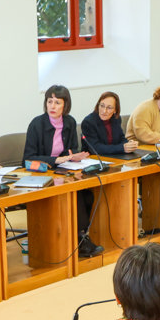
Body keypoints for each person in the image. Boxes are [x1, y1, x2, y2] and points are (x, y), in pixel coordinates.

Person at [23, 85, 103, 258]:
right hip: (41, 175)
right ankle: (80, 239)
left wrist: (74, 156)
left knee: (86, 192)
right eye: (49, 101)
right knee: (77, 195)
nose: (52, 106)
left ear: (65, 106)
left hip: (63, 172)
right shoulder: (37, 124)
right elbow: (27, 159)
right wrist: (56, 160)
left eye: (57, 102)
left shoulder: (69, 122)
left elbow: (71, 148)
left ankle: (79, 235)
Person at [80, 91, 138, 156]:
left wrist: (129, 144)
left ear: (115, 110)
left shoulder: (116, 119)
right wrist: (122, 148)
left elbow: (121, 138)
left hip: (113, 157)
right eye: (102, 106)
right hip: (94, 159)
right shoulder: (88, 122)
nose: (104, 111)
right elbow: (95, 148)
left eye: (109, 108)